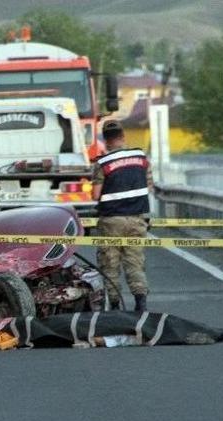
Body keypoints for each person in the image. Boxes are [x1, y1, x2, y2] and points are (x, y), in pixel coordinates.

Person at [91, 120, 154, 312]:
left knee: (110, 263)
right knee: (134, 262)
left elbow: (95, 195)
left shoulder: (103, 163)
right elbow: (149, 186)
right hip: (137, 218)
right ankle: (140, 303)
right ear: (123, 136)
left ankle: (116, 306)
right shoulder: (141, 157)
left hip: (112, 220)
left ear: (106, 141)